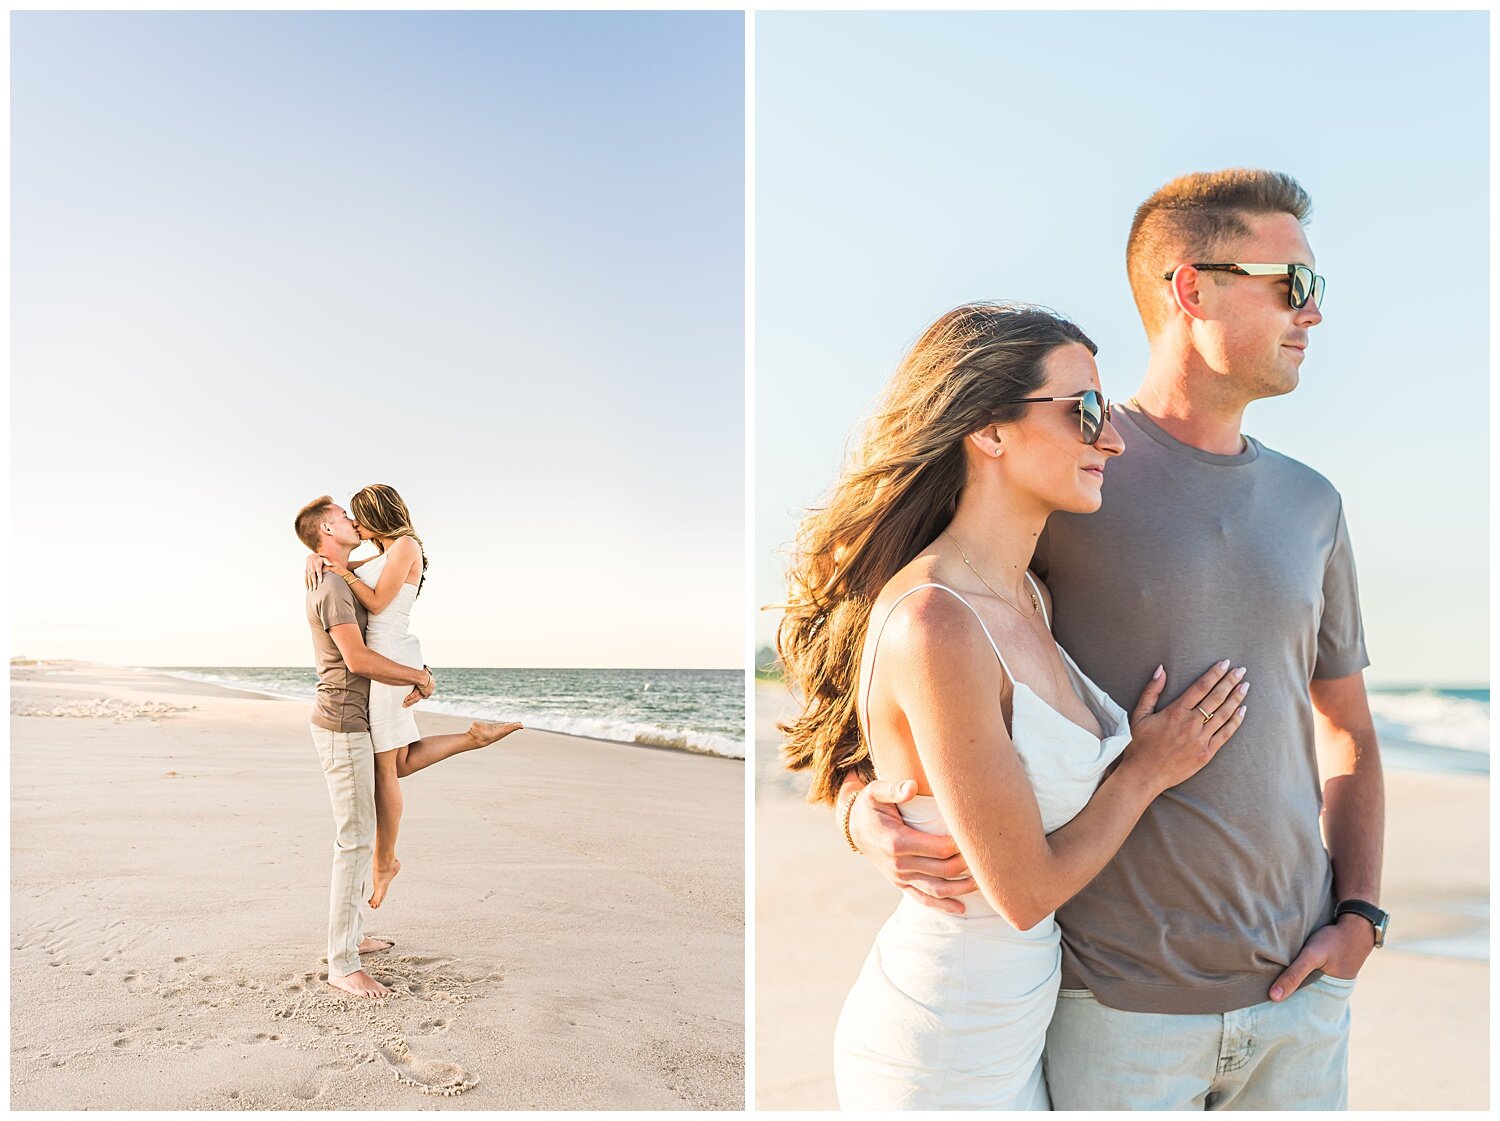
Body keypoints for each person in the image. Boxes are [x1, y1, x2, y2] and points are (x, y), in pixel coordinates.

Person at [841, 169, 1384, 1110]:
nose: (1314, 312)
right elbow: (883, 679)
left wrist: (1360, 916)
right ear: (1192, 286)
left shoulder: (1313, 504)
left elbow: (1348, 732)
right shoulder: (1064, 474)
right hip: (1111, 1005)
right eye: (1291, 284)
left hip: (1301, 997)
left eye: (1317, 289)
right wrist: (865, 816)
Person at [778, 302, 1250, 1109]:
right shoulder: (937, 620)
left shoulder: (1027, 591)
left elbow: (896, 767)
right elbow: (1023, 891)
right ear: (988, 430)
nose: (1113, 439)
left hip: (1013, 1030)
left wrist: (856, 809)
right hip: (944, 1048)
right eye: (1086, 412)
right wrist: (1143, 770)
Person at [306, 483, 522, 910]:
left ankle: (385, 862)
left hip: (387, 655)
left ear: (379, 514)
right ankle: (473, 738)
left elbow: (378, 600)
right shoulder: (386, 552)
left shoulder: (405, 545)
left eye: (360, 517)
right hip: (386, 656)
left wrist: (342, 572)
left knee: (386, 769)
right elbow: (341, 564)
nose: (356, 524)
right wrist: (317, 558)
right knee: (398, 762)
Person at [296, 495, 435, 999]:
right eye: (344, 519)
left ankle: (350, 936)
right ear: (328, 532)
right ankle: (342, 963)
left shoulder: (335, 572)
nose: (355, 522)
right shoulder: (332, 586)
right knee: (354, 841)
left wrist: (325, 557)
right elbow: (357, 660)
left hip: (354, 719)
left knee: (359, 834)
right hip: (342, 722)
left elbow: (360, 573)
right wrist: (419, 675)